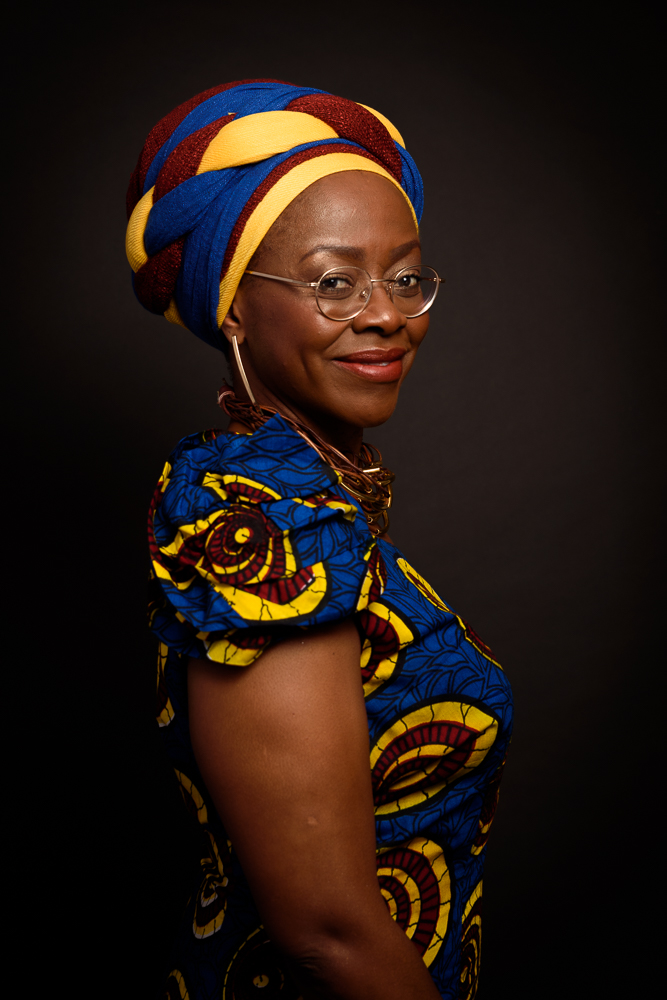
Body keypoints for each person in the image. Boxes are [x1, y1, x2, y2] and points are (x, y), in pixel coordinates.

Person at [127, 79, 513, 1000]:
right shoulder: (265, 522)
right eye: (333, 282)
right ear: (232, 307)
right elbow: (325, 933)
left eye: (406, 277)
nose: (386, 315)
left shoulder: (304, 484)